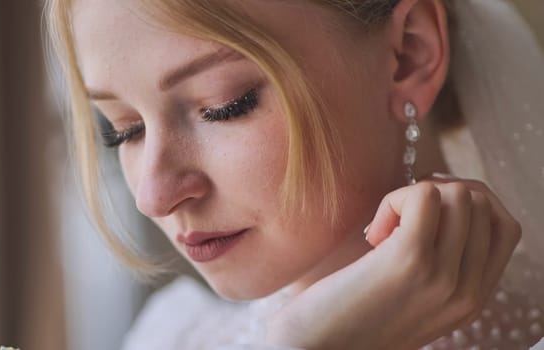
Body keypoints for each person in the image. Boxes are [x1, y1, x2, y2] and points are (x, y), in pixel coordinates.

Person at [44, 0, 544, 348]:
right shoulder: (173, 335)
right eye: (122, 130)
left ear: (408, 54)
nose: (153, 196)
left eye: (225, 106)